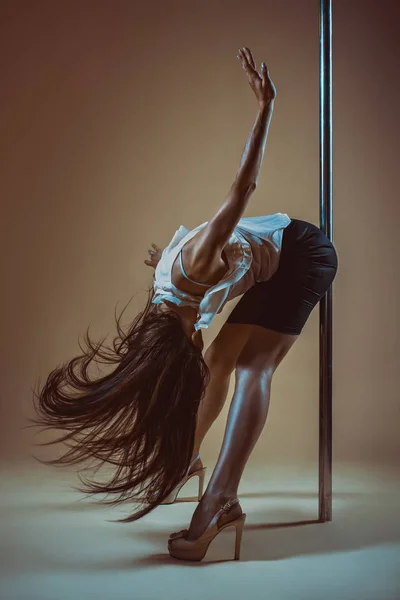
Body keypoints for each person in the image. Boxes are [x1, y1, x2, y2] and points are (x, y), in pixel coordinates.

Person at [31, 48, 338, 562]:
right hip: (274, 266)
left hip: (305, 254)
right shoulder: (169, 300)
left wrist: (266, 106)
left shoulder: (188, 274)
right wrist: (163, 256)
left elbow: (244, 186)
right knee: (220, 362)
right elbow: (182, 285)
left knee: (254, 367)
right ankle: (185, 461)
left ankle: (220, 500)